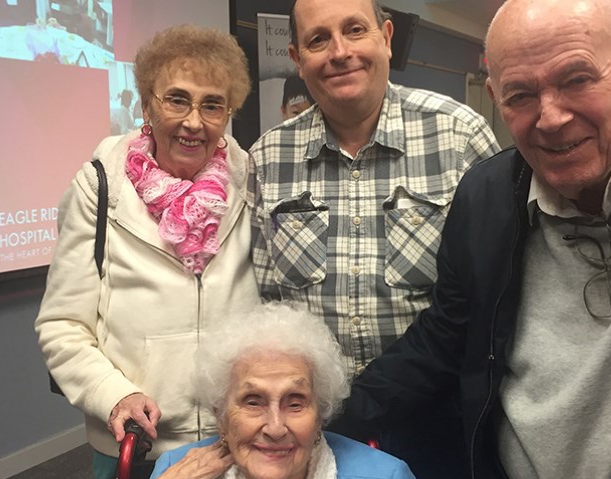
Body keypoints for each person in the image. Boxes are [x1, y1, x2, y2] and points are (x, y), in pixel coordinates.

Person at [329, 0, 611, 477]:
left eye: (577, 79)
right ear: (495, 95)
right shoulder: (485, 195)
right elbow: (445, 335)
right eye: (520, 95)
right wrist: (316, 419)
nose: (551, 118)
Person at [247, 0, 499, 476]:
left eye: (355, 30)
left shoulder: (458, 135)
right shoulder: (269, 157)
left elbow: (492, 296)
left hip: (440, 416)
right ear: (298, 59)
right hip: (319, 425)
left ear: (385, 38)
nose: (340, 52)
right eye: (319, 40)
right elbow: (269, 302)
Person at [35, 25, 259, 478]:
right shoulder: (100, 190)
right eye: (177, 99)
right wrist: (115, 394)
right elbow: (62, 325)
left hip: (236, 439)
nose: (194, 121)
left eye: (213, 104)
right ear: (145, 104)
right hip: (136, 446)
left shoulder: (251, 185)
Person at [150, 302, 415, 479]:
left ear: (320, 414)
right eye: (253, 402)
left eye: (295, 403)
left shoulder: (386, 475)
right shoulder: (176, 468)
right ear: (220, 414)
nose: (275, 428)